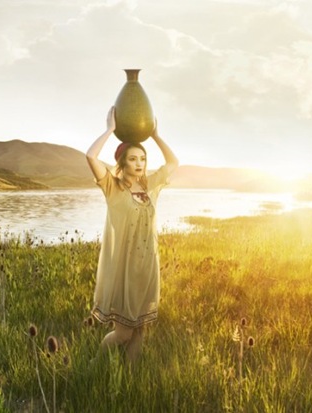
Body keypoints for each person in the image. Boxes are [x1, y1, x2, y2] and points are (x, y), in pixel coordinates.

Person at [86, 106, 179, 363]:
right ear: (122, 162)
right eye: (133, 159)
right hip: (124, 268)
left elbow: (173, 163)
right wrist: (110, 129)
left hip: (148, 265)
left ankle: (131, 377)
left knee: (140, 329)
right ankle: (96, 364)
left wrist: (156, 136)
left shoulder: (151, 187)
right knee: (123, 333)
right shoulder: (113, 188)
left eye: (142, 159)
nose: (139, 164)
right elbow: (91, 157)